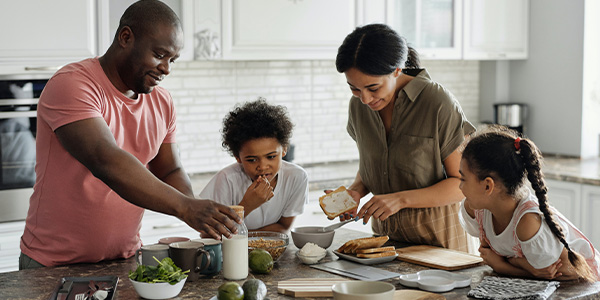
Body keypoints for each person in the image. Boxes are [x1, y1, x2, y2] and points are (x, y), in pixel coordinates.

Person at [19, 0, 240, 269]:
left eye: (173, 60)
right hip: (53, 264)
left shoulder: (162, 101)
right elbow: (105, 160)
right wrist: (185, 207)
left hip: (125, 260)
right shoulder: (72, 84)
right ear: (126, 37)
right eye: (160, 54)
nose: (166, 68)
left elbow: (169, 169)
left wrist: (197, 212)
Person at [334, 23, 475, 251]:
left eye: (373, 88)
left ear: (397, 70)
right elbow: (374, 167)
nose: (365, 99)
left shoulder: (437, 103)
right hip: (385, 246)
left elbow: (462, 184)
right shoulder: (358, 107)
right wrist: (355, 192)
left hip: (440, 246)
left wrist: (399, 200)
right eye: (354, 89)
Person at [459, 126, 599, 281]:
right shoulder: (478, 209)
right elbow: (489, 255)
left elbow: (569, 271)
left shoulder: (528, 223)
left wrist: (506, 266)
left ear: (488, 186)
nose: (460, 186)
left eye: (463, 179)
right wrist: (522, 265)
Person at [199, 98, 309, 233]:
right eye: (252, 160)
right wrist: (247, 205)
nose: (262, 167)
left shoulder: (296, 177)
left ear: (284, 149)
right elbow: (208, 234)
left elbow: (283, 227)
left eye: (271, 157)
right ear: (237, 157)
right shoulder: (227, 179)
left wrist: (246, 238)